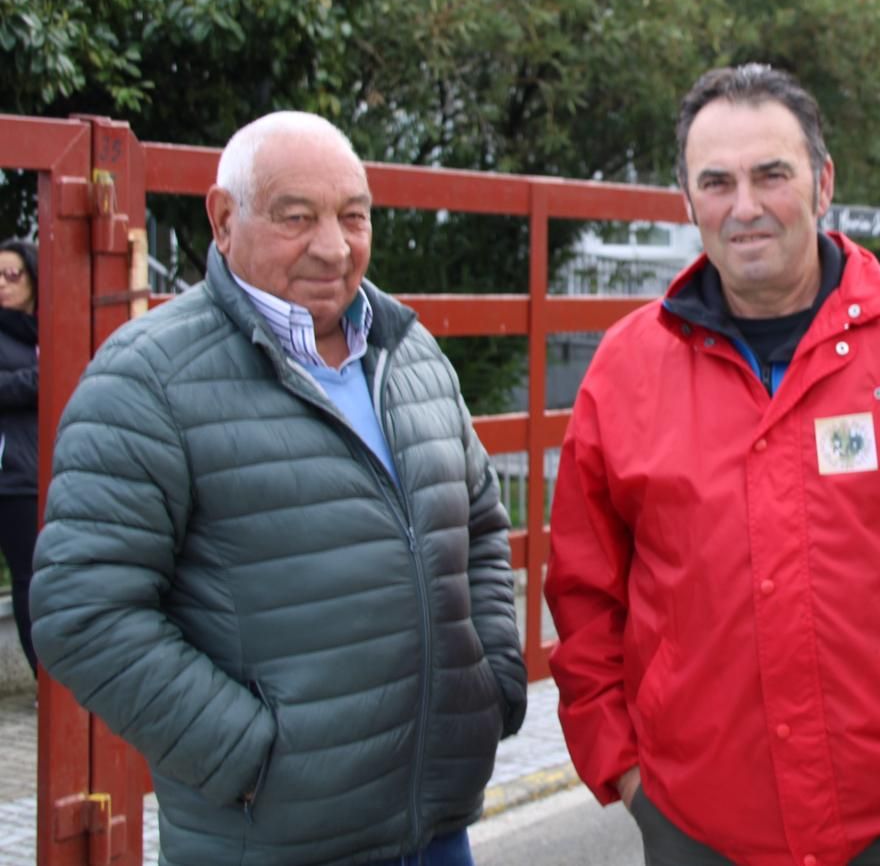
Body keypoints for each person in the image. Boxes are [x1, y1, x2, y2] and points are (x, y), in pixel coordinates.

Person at [546, 64, 880, 866]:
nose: (743, 207)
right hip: (698, 824)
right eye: (716, 182)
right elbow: (583, 594)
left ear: (823, 184)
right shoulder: (626, 370)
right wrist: (625, 771)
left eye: (770, 175)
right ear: (688, 201)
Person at [30, 112, 526, 866]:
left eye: (353, 217)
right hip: (269, 844)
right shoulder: (147, 378)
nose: (333, 246)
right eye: (298, 217)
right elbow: (81, 609)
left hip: (434, 832)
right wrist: (248, 756)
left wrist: (492, 679)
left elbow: (483, 527)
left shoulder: (410, 353)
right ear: (224, 219)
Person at [0, 239, 39, 677]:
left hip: (52, 465)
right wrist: (38, 377)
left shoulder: (50, 328)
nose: (4, 285)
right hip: (12, 478)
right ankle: (40, 679)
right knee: (28, 578)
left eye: (13, 275)